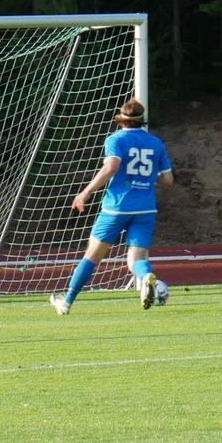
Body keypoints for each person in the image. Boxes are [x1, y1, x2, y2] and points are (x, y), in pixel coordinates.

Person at [50, 98, 173, 315]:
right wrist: (145, 178)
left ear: (120, 120)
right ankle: (146, 277)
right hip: (145, 208)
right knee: (136, 259)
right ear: (142, 120)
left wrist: (86, 192)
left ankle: (67, 301)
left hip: (117, 207)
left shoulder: (115, 139)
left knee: (92, 256)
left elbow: (112, 167)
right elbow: (168, 179)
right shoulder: (156, 143)